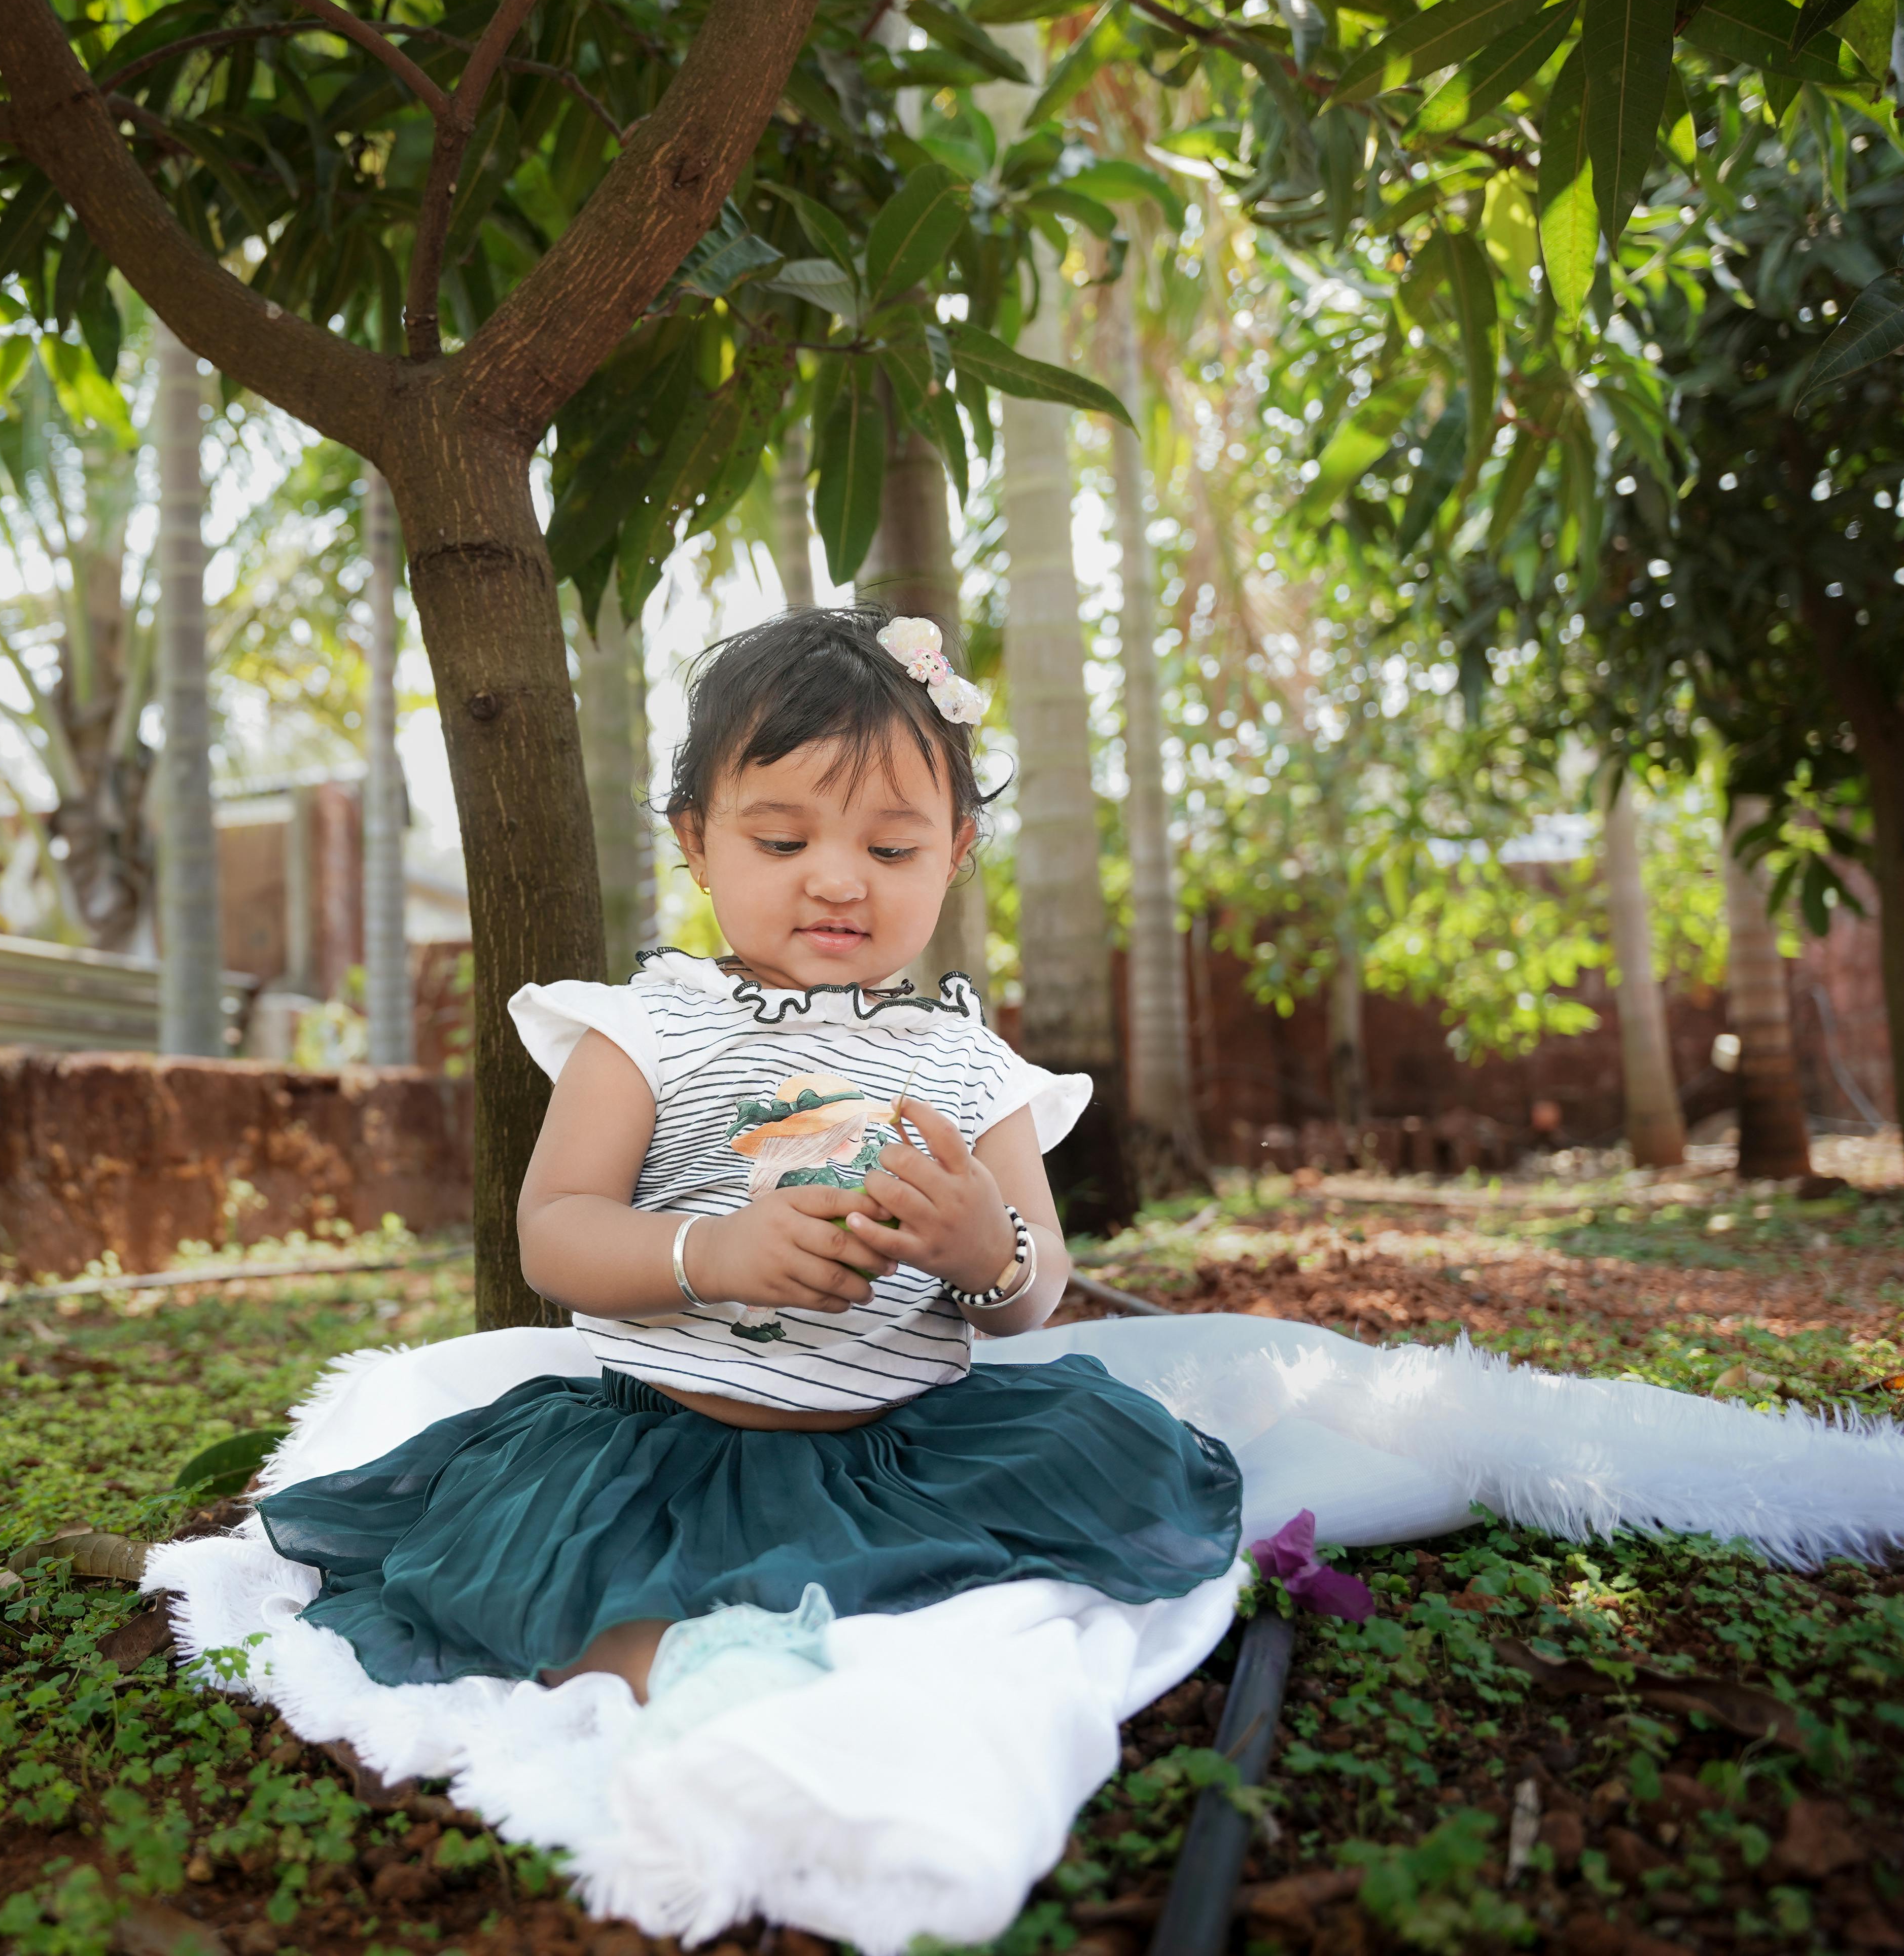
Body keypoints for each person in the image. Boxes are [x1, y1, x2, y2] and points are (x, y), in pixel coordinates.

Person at [258, 607, 1242, 1734]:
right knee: (588, 1608)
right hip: (662, 1449)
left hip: (906, 1449)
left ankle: (862, 1673)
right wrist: (711, 1250)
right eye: (782, 843)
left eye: (891, 848)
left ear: (958, 851)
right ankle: (701, 1676)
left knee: (1006, 1578)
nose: (837, 881)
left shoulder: (969, 1063)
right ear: (696, 839)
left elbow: (1036, 1286)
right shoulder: (648, 1030)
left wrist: (984, 1250)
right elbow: (556, 1228)